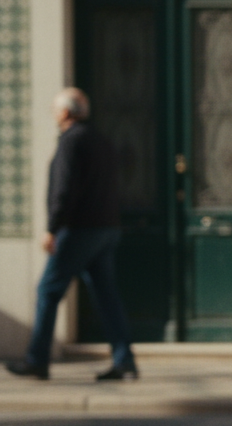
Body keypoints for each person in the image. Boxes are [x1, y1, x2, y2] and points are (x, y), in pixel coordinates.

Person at [5, 88, 137, 382]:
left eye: (55, 109)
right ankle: (124, 359)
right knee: (107, 296)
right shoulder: (102, 141)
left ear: (65, 112)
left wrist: (52, 228)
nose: (53, 114)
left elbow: (62, 190)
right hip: (106, 229)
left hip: (79, 230)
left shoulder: (70, 141)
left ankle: (37, 360)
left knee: (47, 291)